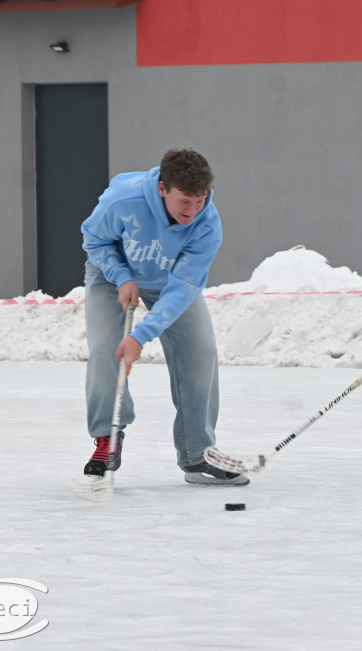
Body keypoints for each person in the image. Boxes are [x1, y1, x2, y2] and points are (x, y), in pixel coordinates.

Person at [80, 148, 248, 486]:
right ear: (162, 189)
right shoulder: (122, 201)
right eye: (185, 201)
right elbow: (94, 240)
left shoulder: (207, 224)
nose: (193, 210)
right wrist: (121, 275)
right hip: (111, 275)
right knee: (104, 349)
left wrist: (140, 336)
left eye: (200, 200)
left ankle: (197, 452)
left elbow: (184, 286)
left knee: (201, 352)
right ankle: (106, 438)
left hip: (170, 281)